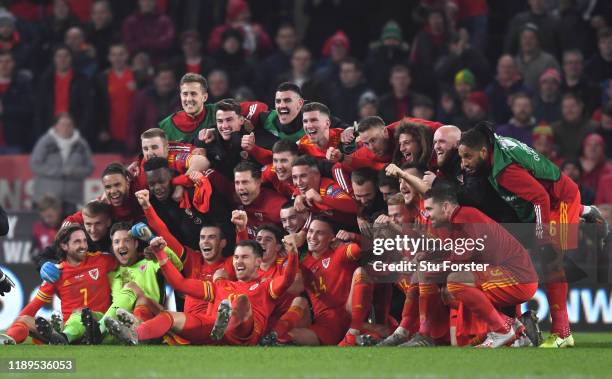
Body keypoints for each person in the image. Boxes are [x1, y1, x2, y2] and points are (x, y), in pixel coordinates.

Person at [106, 237, 298, 346]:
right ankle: (135, 334)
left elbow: (288, 279)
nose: (238, 261)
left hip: (244, 334)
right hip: (213, 329)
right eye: (237, 257)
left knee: (242, 302)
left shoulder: (266, 286)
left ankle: (226, 324)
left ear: (258, 262)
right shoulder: (219, 286)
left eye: (245, 257)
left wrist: (293, 254)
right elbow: (179, 283)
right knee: (170, 317)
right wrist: (160, 254)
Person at [419, 182, 538, 348]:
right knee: (457, 283)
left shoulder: (463, 220)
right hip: (511, 274)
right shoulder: (461, 219)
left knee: (456, 281)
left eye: (430, 209)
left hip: (519, 278)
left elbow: (459, 264)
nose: (427, 215)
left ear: (445, 207)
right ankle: (517, 329)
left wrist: (429, 270)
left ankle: (502, 330)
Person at [0, 225, 116, 345]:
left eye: (84, 241)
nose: (83, 246)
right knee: (23, 319)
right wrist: (17, 324)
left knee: (81, 312)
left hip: (98, 325)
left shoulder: (102, 260)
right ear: (64, 246)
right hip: (69, 329)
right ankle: (8, 340)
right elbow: (32, 307)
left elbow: (126, 261)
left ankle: (61, 337)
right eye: (77, 242)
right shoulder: (56, 273)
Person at [30, 113, 93, 208]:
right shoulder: (45, 142)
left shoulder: (81, 144)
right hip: (46, 200)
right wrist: (60, 171)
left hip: (72, 200)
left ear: (73, 127)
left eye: (69, 125)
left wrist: (72, 172)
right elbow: (35, 165)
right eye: (62, 124)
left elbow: (89, 167)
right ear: (55, 126)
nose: (65, 128)